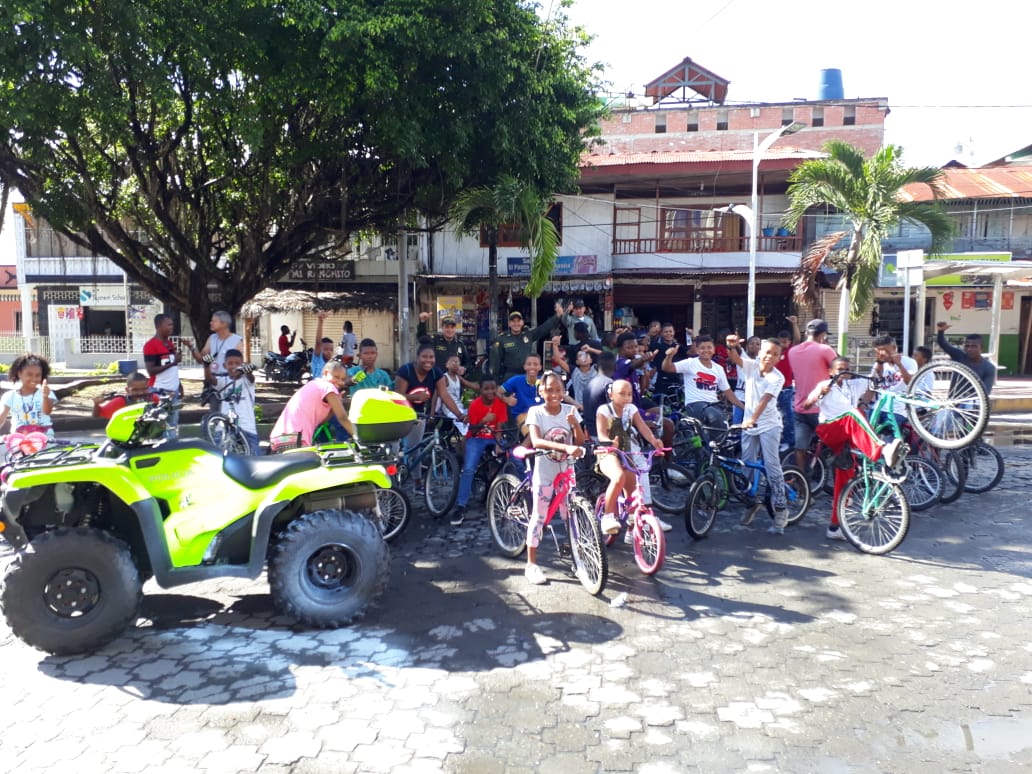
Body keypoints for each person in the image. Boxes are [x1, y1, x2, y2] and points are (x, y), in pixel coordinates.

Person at [802, 356, 904, 541]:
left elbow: (874, 380)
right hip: (829, 429)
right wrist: (819, 394)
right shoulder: (824, 384)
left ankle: (835, 527)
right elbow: (806, 405)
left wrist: (880, 363)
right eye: (840, 369)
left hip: (847, 434)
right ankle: (882, 450)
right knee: (854, 413)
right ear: (832, 371)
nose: (844, 373)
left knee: (845, 477)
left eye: (847, 369)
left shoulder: (852, 385)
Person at [523, 372, 585, 586]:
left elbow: (581, 439)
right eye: (549, 390)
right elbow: (537, 441)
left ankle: (579, 559)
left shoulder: (571, 410)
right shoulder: (535, 412)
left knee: (571, 515)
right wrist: (565, 447)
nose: (554, 394)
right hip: (545, 471)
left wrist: (574, 425)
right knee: (539, 516)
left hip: (567, 470)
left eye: (558, 390)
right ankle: (531, 564)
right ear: (541, 391)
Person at [726, 335, 789, 534]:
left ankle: (781, 508)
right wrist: (731, 345)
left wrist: (752, 418)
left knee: (771, 465)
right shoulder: (751, 366)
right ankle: (751, 504)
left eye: (775, 354)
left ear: (780, 357)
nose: (770, 357)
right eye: (767, 352)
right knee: (747, 464)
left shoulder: (777, 377)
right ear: (760, 352)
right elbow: (735, 358)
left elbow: (765, 400)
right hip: (749, 425)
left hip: (769, 425)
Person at [596, 379, 669, 539]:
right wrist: (609, 442)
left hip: (627, 451)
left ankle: (632, 528)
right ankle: (608, 516)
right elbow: (601, 433)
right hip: (608, 452)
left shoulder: (631, 409)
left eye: (629, 394)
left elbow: (642, 427)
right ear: (611, 394)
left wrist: (654, 441)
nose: (626, 398)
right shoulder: (604, 410)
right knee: (618, 477)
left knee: (634, 487)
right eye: (622, 394)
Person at [395, 344, 467, 480]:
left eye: (431, 357)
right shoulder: (406, 371)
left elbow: (445, 395)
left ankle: (417, 482)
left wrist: (459, 415)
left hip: (419, 414)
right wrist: (415, 397)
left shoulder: (436, 373)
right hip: (399, 413)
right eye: (424, 357)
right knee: (395, 451)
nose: (428, 360)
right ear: (417, 358)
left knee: (415, 450)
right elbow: (397, 395)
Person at [450, 376, 509, 526]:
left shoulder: (500, 403)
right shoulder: (475, 405)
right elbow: (473, 430)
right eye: (486, 388)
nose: (490, 391)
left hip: (493, 437)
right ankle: (461, 505)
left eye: (493, 388)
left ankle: (505, 496)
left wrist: (497, 442)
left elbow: (500, 425)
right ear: (481, 390)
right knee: (469, 469)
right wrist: (484, 421)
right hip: (476, 438)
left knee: (508, 459)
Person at [662, 334, 744, 441]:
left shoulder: (718, 368)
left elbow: (728, 392)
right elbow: (667, 368)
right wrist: (669, 356)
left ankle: (715, 453)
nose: (706, 350)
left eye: (709, 347)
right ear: (697, 350)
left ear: (714, 349)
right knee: (715, 417)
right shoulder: (690, 363)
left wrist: (743, 407)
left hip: (713, 404)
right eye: (702, 348)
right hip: (695, 404)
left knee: (724, 423)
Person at [788, 318, 838, 475]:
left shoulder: (792, 351)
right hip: (820, 408)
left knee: (800, 448)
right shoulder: (825, 350)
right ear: (822, 334)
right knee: (838, 443)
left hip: (799, 407)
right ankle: (837, 478)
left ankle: (802, 483)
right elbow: (839, 371)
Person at [270, 361, 355, 447]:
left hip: (282, 436)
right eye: (336, 377)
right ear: (325, 373)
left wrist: (334, 406)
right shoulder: (328, 387)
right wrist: (359, 437)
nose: (340, 382)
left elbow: (322, 421)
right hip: (295, 437)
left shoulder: (315, 384)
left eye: (343, 379)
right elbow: (343, 418)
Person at [489, 303, 563, 383]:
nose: (516, 324)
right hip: (510, 375)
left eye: (518, 321)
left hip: (527, 374)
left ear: (522, 322)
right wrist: (495, 381)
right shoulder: (502, 339)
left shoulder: (528, 335)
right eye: (513, 321)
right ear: (509, 324)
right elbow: (495, 363)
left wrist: (557, 316)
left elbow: (543, 328)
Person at [209, 349, 260, 454]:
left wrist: (248, 371)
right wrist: (206, 366)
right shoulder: (223, 381)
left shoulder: (246, 380)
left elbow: (251, 378)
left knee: (254, 458)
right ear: (224, 365)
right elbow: (211, 379)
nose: (234, 366)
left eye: (237, 363)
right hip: (224, 429)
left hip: (247, 428)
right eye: (230, 363)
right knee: (221, 457)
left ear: (242, 365)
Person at [143, 313, 185, 438]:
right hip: (159, 390)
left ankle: (171, 449)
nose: (171, 327)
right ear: (159, 326)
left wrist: (179, 385)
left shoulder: (169, 344)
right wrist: (173, 363)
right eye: (169, 325)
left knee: (172, 424)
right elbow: (151, 370)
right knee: (159, 424)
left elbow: (173, 369)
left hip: (174, 391)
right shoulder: (150, 345)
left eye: (172, 324)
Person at [191, 310, 243, 409]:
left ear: (223, 324)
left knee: (230, 411)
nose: (211, 323)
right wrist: (192, 348)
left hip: (229, 382)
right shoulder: (212, 338)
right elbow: (201, 359)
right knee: (214, 412)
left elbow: (241, 364)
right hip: (213, 381)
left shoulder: (237, 340)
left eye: (214, 321)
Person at [0, 353, 57, 440]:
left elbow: (47, 411)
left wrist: (45, 397)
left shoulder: (46, 393)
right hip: (19, 439)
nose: (34, 379)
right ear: (19, 373)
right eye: (29, 374)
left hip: (44, 437)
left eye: (38, 375)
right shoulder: (9, 396)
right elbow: (1, 417)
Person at [935, 322, 997, 395]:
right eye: (967, 346)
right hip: (953, 402)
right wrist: (940, 331)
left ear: (981, 348)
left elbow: (986, 392)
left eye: (974, 346)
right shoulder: (959, 356)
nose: (969, 349)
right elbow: (944, 344)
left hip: (975, 403)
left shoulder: (989, 368)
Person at [870, 334, 918, 422]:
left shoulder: (909, 362)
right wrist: (879, 362)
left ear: (894, 348)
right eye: (878, 352)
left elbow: (910, 383)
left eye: (885, 351)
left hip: (898, 409)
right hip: (879, 407)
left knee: (891, 434)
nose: (882, 355)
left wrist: (899, 364)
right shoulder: (879, 364)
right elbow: (875, 383)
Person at [774, 316, 802, 453]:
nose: (783, 344)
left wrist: (795, 324)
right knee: (773, 416)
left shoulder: (791, 351)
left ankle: (788, 441)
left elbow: (797, 340)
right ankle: (776, 440)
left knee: (788, 416)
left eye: (785, 342)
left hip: (786, 389)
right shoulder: (774, 352)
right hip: (772, 389)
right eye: (781, 341)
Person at [500, 354, 545, 431]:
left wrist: (573, 403)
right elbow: (497, 391)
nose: (532, 367)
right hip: (522, 415)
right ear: (524, 366)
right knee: (532, 430)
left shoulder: (544, 380)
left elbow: (562, 395)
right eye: (529, 364)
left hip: (542, 415)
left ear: (540, 367)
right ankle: (525, 443)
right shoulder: (516, 380)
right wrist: (506, 399)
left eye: (535, 364)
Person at [438, 354, 477, 438]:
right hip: (449, 408)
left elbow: (470, 384)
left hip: (459, 406)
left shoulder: (458, 377)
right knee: (465, 423)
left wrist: (485, 387)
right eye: (453, 362)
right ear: (447, 365)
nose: (456, 364)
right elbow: (437, 393)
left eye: (458, 362)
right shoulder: (445, 378)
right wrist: (433, 411)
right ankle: (467, 436)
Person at [93, 372, 159, 419]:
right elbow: (97, 415)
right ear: (127, 390)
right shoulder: (120, 402)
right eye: (135, 390)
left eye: (144, 389)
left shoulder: (154, 399)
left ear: (148, 388)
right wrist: (96, 405)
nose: (140, 393)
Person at [650, 323, 689, 401]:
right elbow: (646, 347)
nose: (668, 334)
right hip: (661, 380)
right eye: (666, 332)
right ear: (661, 333)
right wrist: (651, 333)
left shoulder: (678, 346)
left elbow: (691, 352)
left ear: (674, 332)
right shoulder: (656, 346)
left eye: (670, 331)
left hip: (676, 380)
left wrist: (690, 337)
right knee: (661, 406)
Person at [583, 351, 616, 440]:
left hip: (590, 432)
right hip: (604, 435)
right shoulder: (609, 384)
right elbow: (614, 412)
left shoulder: (590, 383)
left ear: (596, 367)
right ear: (615, 367)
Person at [731, 336, 762, 425]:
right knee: (737, 425)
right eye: (752, 344)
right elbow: (738, 349)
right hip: (740, 398)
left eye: (757, 344)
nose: (755, 346)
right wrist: (735, 344)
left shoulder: (761, 360)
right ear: (747, 346)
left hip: (755, 400)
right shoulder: (742, 355)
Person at [309, 311, 336, 378]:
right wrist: (320, 321)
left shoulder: (333, 365)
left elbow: (348, 382)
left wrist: (362, 374)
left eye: (331, 350)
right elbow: (318, 342)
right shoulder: (318, 358)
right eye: (326, 349)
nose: (329, 352)